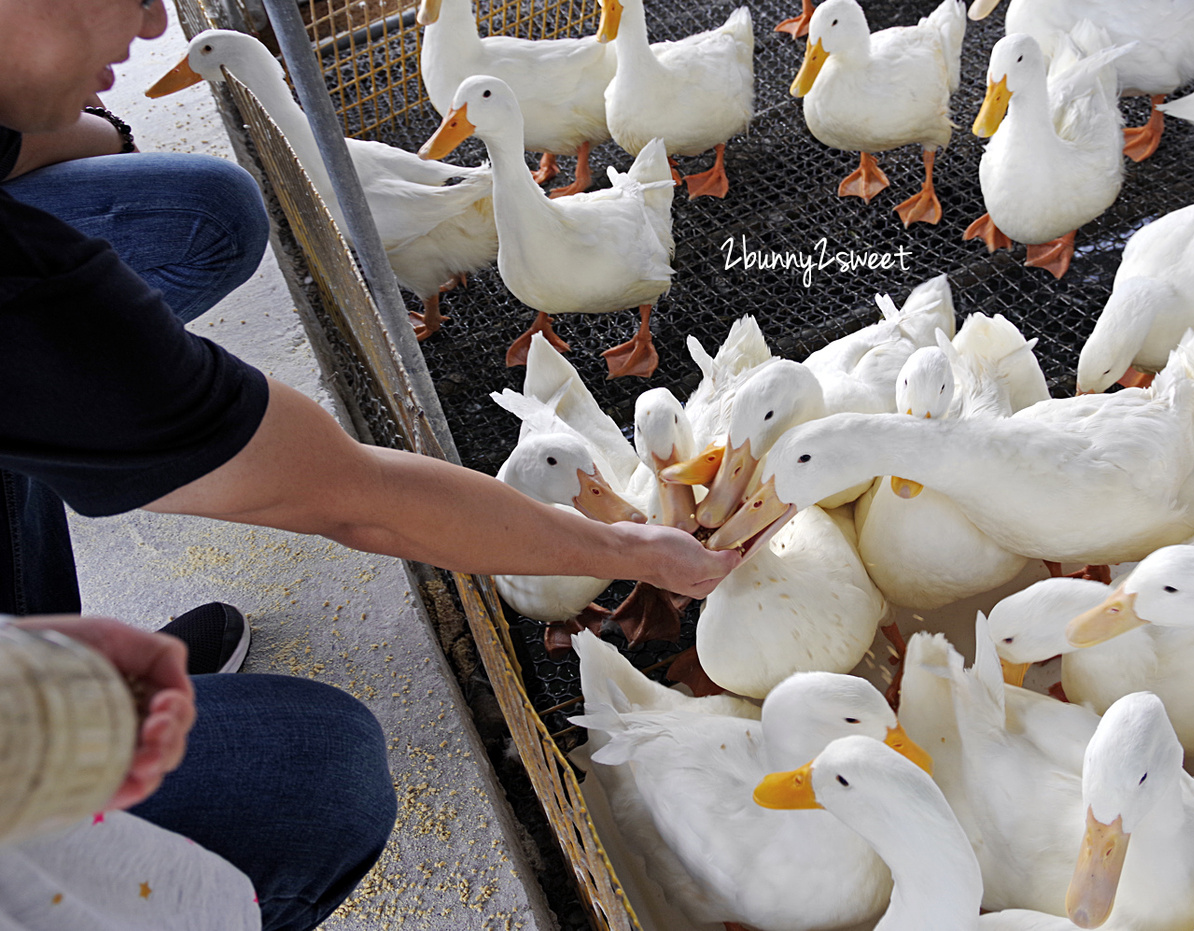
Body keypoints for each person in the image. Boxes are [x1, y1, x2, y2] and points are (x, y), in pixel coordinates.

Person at [0, 0, 741, 928]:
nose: (152, 20)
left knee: (209, 210)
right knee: (323, 769)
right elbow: (356, 497)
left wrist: (78, 123)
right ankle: (46, 690)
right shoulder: (27, 298)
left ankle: (46, 647)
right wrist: (640, 551)